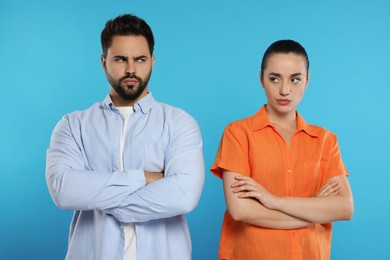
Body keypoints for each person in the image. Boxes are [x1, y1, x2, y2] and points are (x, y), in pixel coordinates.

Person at [46, 14, 204, 260]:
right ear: (103, 62)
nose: (131, 69)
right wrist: (144, 178)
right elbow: (64, 190)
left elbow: (184, 195)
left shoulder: (179, 123)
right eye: (120, 59)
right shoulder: (72, 125)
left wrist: (99, 198)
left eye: (140, 59)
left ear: (152, 61)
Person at [211, 39, 353, 260]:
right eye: (274, 78)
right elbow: (240, 210)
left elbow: (344, 207)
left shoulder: (325, 140)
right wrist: (315, 212)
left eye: (295, 79)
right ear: (261, 79)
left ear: (307, 80)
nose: (285, 90)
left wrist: (274, 201)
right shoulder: (238, 133)